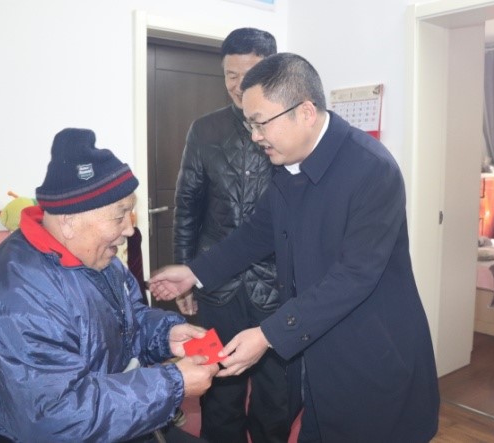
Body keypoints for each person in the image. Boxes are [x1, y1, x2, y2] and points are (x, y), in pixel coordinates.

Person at [150, 52, 440, 443]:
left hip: (372, 350)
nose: (255, 136)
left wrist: (267, 335)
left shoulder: (372, 169)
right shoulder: (289, 165)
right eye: (249, 124)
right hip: (317, 346)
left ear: (304, 112)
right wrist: (194, 272)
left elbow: (354, 277)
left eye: (260, 123)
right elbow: (256, 233)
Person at [0, 128, 218, 442]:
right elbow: (55, 419)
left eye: (130, 212)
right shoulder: (16, 301)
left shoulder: (98, 257)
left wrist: (165, 335)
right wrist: (172, 384)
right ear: (68, 221)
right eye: (119, 215)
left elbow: (128, 319)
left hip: (108, 418)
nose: (129, 229)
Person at [172, 28, 290, 443]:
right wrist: (186, 274)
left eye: (249, 74)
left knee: (276, 394)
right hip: (216, 285)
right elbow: (187, 206)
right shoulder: (204, 130)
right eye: (230, 75)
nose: (238, 85)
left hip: (277, 285)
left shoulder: (287, 129)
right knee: (217, 387)